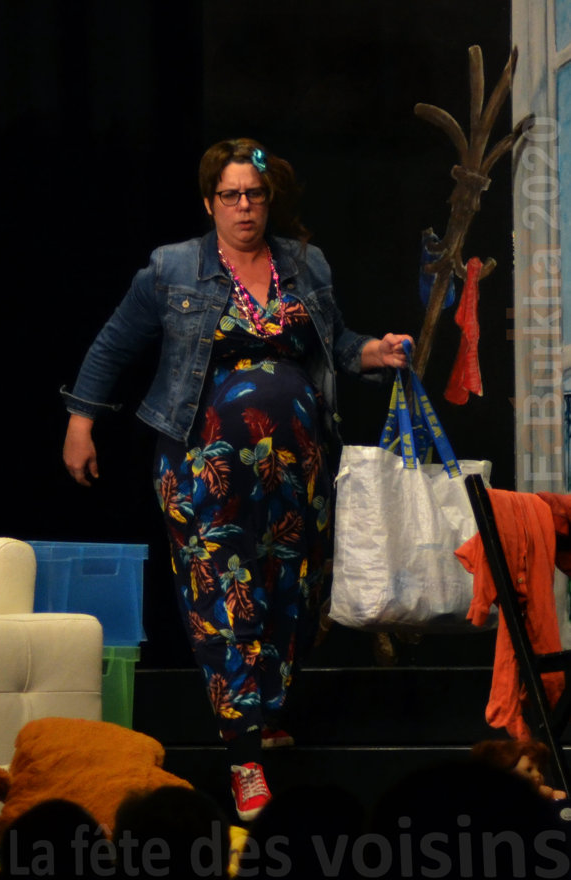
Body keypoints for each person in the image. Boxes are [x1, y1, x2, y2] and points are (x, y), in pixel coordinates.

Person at [61, 138, 413, 822]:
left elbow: (336, 343)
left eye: (254, 194)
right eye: (230, 196)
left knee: (291, 592)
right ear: (209, 203)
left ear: (268, 199)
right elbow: (112, 344)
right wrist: (81, 422)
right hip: (203, 467)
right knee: (223, 596)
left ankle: (265, 710)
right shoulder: (172, 268)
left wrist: (375, 352)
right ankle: (244, 753)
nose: (244, 206)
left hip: (298, 470)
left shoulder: (305, 264)